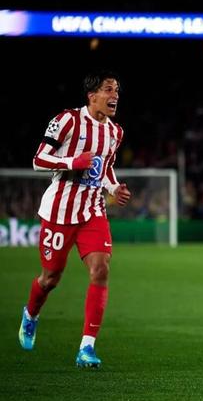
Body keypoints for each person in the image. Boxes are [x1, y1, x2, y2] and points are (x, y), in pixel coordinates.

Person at [18, 70, 131, 368]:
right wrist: (72, 162)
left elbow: (104, 168)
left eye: (117, 90)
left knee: (100, 269)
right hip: (59, 211)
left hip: (93, 210)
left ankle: (86, 348)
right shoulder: (67, 120)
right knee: (50, 278)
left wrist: (113, 188)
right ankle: (31, 314)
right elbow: (39, 159)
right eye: (109, 90)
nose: (115, 96)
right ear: (92, 95)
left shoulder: (115, 132)